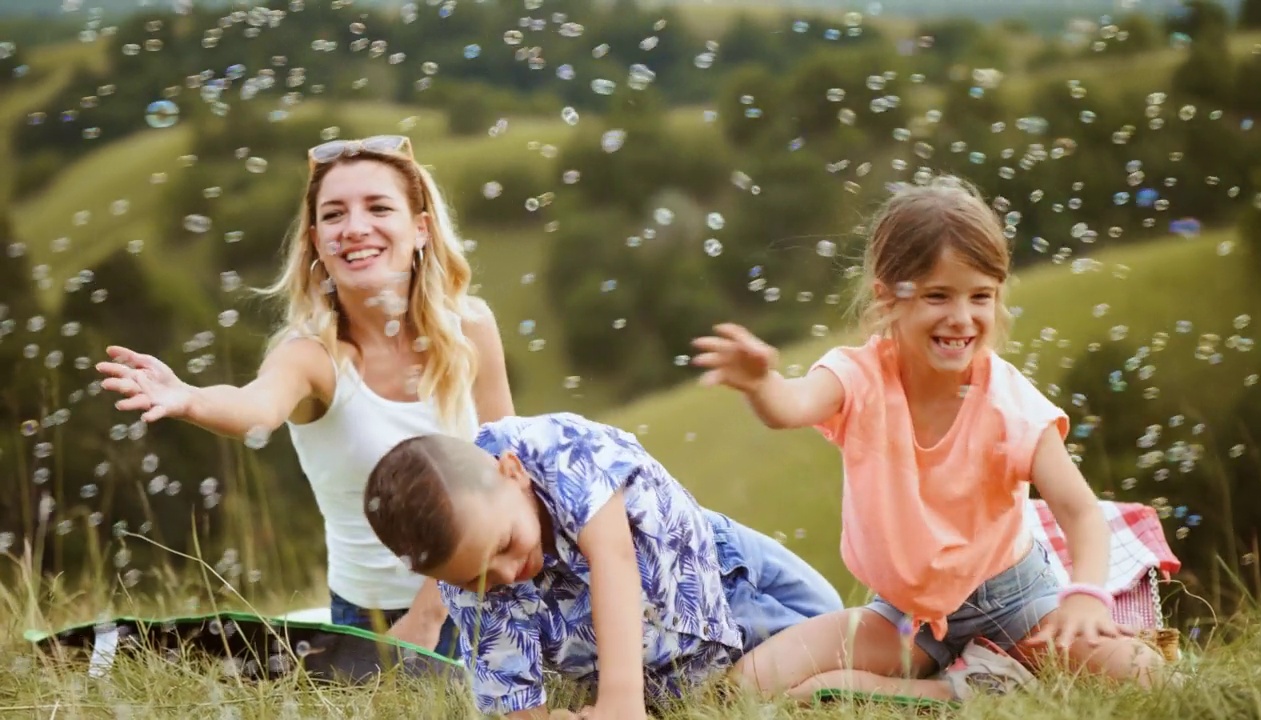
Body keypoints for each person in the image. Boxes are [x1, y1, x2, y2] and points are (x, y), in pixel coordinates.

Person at [690, 175, 1168, 703]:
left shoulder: (1009, 402)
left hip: (1017, 603)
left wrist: (1085, 598)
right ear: (888, 298)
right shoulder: (859, 377)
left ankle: (958, 686)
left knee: (1145, 673)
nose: (961, 318)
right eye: (938, 295)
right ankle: (962, 686)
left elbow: (1080, 511)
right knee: (747, 685)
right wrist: (761, 383)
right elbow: (791, 407)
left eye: (981, 296)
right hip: (903, 619)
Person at [95, 135, 515, 658]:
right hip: (371, 619)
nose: (355, 228)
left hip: (490, 592)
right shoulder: (312, 356)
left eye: (378, 207)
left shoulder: (471, 327)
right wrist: (188, 397)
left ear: (421, 228)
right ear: (317, 241)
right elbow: (256, 406)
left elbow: (509, 463)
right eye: (334, 214)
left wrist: (431, 611)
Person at [361, 412, 845, 719]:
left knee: (841, 624)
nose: (505, 575)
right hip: (667, 667)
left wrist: (620, 700)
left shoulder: (557, 449)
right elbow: (510, 690)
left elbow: (614, 559)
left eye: (506, 544)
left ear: (511, 472)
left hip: (723, 585)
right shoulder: (467, 582)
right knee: (768, 687)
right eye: (474, 578)